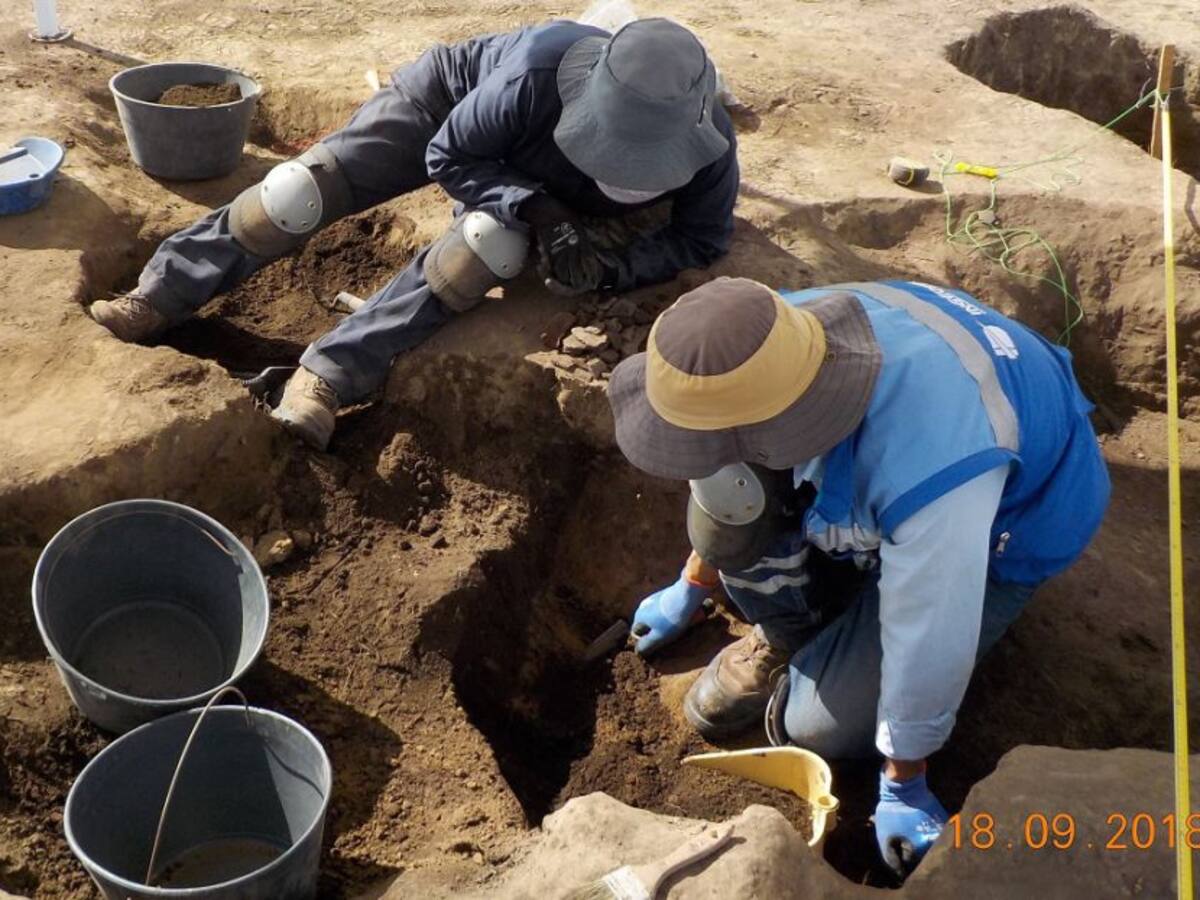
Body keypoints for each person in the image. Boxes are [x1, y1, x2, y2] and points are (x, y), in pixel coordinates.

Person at [607, 276, 1110, 877]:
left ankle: (841, 626)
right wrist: (695, 580)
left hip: (1010, 525)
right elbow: (717, 466)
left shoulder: (936, 470)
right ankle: (794, 634)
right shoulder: (758, 344)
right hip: (906, 449)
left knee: (817, 727)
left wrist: (905, 778)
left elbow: (930, 630)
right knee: (737, 506)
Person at [90, 18, 738, 450]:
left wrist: (603, 269)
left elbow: (701, 240)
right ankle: (163, 291)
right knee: (294, 195)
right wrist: (543, 211)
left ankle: (327, 375)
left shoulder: (710, 149)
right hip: (445, 112)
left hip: (532, 196)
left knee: (487, 247)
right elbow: (452, 156)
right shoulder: (535, 75)